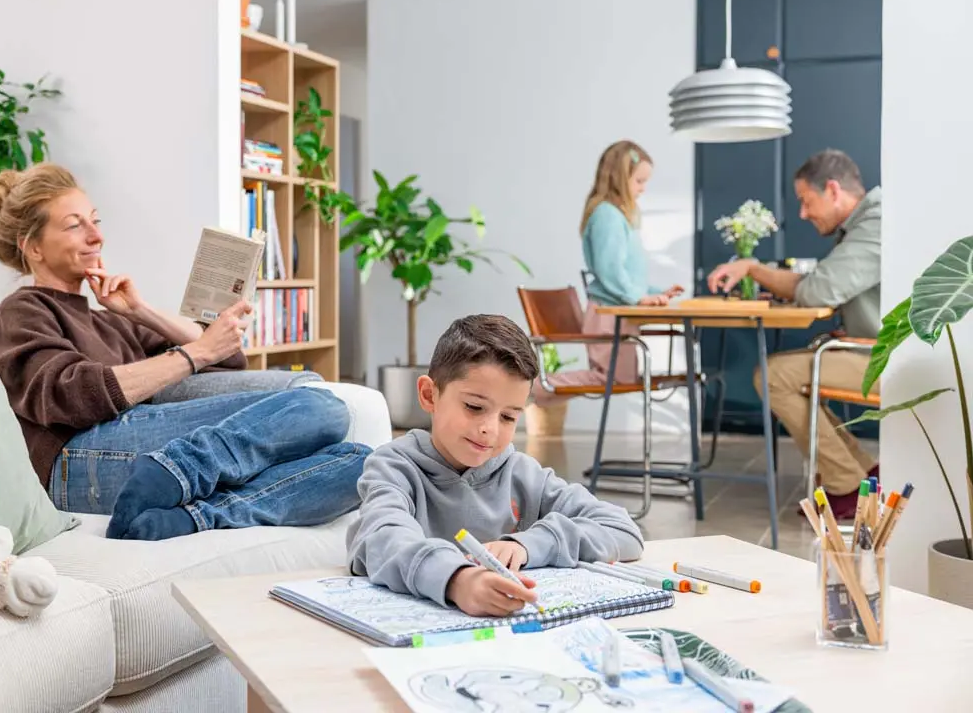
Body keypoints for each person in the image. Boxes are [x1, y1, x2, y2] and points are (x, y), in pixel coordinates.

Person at [0, 162, 371, 541]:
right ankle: (174, 475)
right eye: (75, 226)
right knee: (322, 408)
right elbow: (71, 395)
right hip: (75, 461)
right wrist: (195, 352)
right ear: (33, 248)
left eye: (95, 221)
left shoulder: (109, 320)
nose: (96, 236)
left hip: (143, 449)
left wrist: (140, 311)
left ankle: (198, 516)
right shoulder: (23, 310)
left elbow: (225, 362)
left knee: (360, 462)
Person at [346, 314, 643, 617]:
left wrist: (529, 545)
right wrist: (457, 580)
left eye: (508, 417)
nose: (490, 428)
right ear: (428, 395)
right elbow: (382, 540)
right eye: (474, 407)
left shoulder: (523, 474)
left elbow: (623, 530)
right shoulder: (392, 467)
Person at [707, 149, 881, 519]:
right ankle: (862, 472)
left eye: (806, 201)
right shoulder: (865, 224)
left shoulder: (876, 223)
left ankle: (846, 485)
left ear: (832, 190)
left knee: (773, 376)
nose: (802, 213)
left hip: (887, 359)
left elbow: (817, 291)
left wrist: (752, 268)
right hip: (873, 349)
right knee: (790, 371)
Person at [534, 140, 684, 401]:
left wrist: (655, 293)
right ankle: (526, 389)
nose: (643, 189)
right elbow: (610, 271)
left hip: (618, 313)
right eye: (639, 181)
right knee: (611, 379)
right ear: (618, 178)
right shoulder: (607, 215)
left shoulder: (618, 216)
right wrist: (638, 298)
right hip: (607, 314)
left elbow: (627, 276)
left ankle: (527, 390)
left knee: (618, 378)